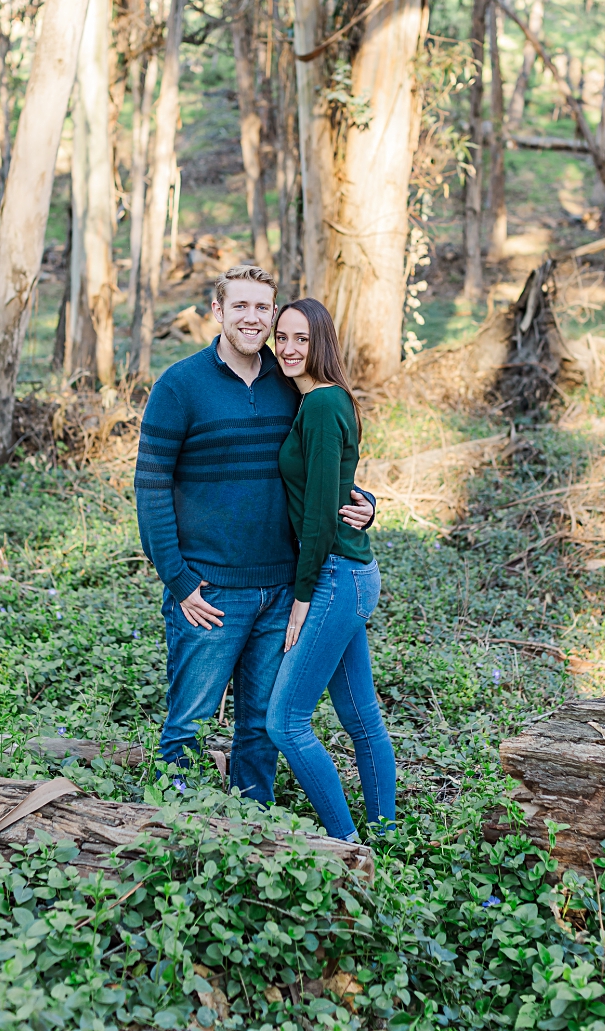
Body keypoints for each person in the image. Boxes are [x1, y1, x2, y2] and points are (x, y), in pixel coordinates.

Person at [135, 264, 376, 801]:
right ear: (217, 311)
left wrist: (365, 503)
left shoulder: (289, 382)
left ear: (273, 315)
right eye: (239, 306)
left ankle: (254, 828)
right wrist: (179, 582)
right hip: (211, 593)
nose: (252, 317)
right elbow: (150, 488)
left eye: (262, 308)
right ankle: (173, 826)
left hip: (283, 591)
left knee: (261, 730)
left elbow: (325, 470)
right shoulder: (179, 386)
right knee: (188, 726)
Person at [265, 297, 394, 841]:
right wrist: (363, 500)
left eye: (301, 338)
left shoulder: (319, 407)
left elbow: (320, 514)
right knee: (361, 716)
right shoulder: (329, 400)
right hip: (352, 572)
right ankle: (386, 837)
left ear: (321, 342)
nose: (289, 349)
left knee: (285, 723)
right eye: (282, 338)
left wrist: (302, 597)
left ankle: (347, 844)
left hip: (336, 575)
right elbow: (338, 486)